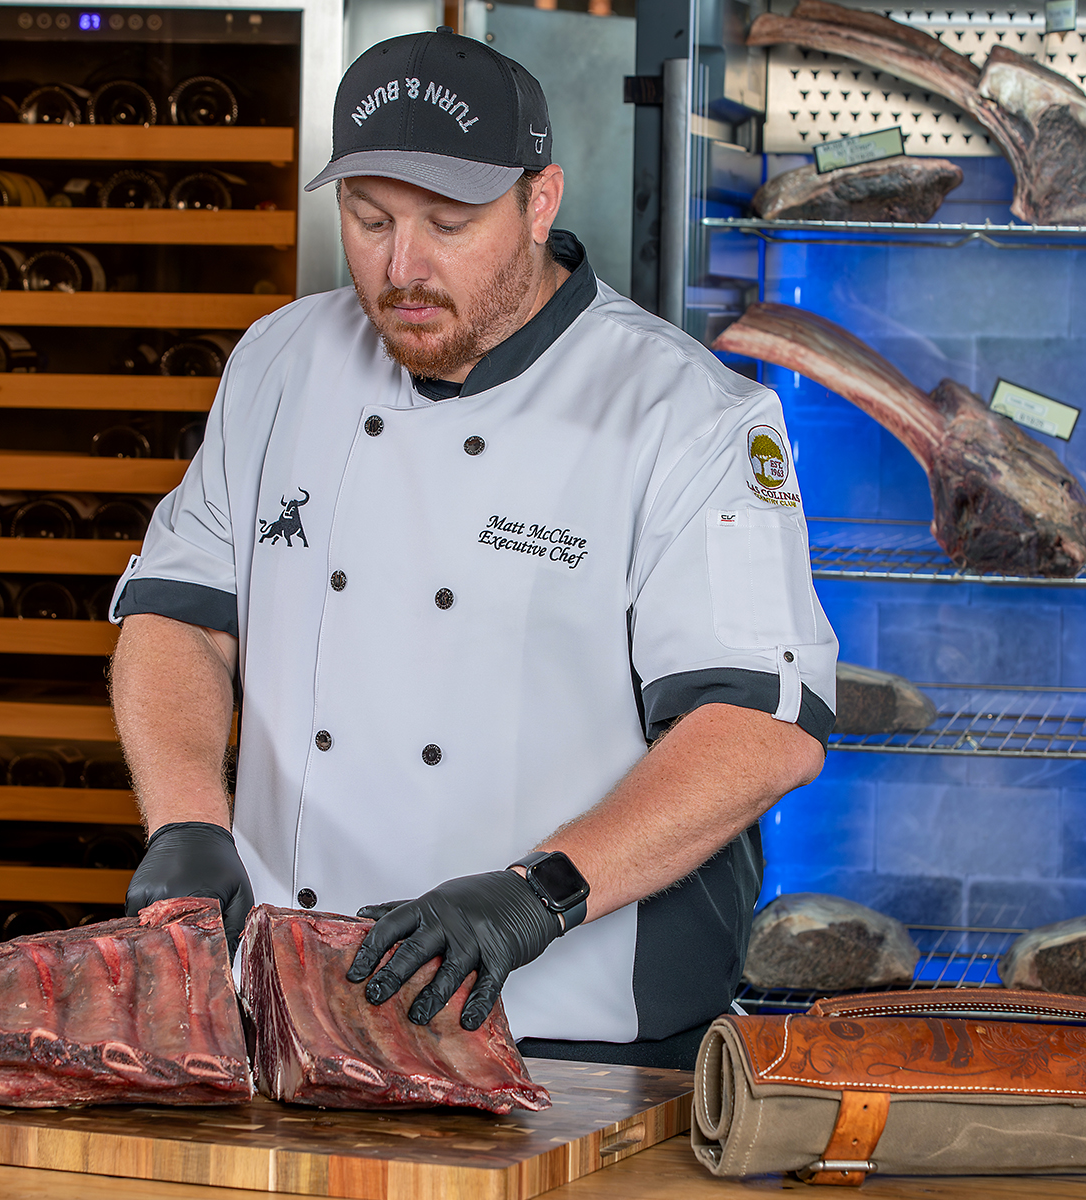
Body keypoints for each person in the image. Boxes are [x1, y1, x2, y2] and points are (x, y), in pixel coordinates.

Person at [106, 27, 837, 1069]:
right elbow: (179, 613)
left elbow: (761, 728)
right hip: (293, 1019)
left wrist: (539, 894)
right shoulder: (279, 362)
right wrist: (186, 823)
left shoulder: (688, 415)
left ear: (540, 202)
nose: (401, 268)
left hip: (575, 1039)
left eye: (448, 225)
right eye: (370, 220)